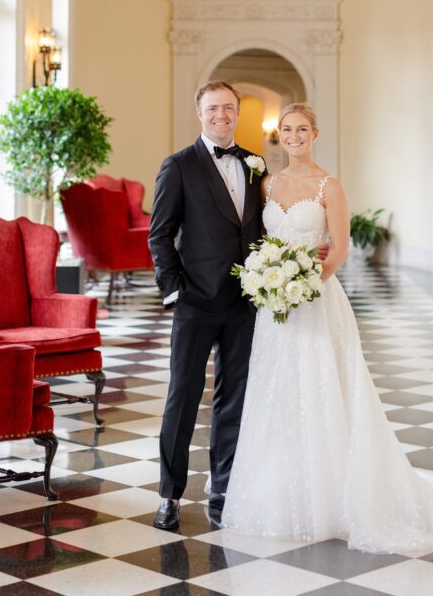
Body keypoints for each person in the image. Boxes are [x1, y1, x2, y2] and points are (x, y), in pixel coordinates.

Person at [222, 102, 433, 555]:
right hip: (274, 306)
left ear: (315, 133)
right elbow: (258, 241)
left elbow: (338, 249)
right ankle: (284, 489)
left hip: (314, 299)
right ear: (280, 135)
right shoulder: (268, 184)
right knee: (277, 390)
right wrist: (269, 281)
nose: (294, 136)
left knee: (324, 389)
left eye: (302, 129)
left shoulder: (328, 186)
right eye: (287, 129)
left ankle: (336, 494)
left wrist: (303, 284)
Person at [148, 80, 264, 531]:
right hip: (195, 302)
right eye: (213, 108)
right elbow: (159, 234)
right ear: (199, 113)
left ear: (238, 112)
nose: (222, 115)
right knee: (183, 396)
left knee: (233, 399)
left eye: (229, 108)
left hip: (244, 304)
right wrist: (175, 290)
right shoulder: (177, 166)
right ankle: (170, 495)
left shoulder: (254, 163)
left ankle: (222, 490)